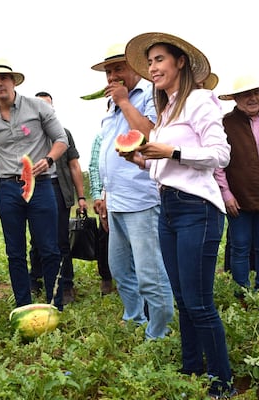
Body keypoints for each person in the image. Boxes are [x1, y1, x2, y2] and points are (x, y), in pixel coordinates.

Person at [124, 32, 236, 398]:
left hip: (196, 210)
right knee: (182, 298)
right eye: (151, 62)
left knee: (200, 301)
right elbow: (166, 167)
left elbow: (220, 155)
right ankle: (191, 366)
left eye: (159, 59)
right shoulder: (167, 109)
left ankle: (223, 382)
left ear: (180, 62)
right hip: (168, 208)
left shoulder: (200, 100)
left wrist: (170, 151)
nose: (153, 67)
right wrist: (141, 160)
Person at [91, 43, 174, 340]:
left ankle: (159, 333)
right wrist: (102, 195)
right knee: (120, 269)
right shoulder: (110, 104)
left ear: (134, 69)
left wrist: (125, 102)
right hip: (115, 202)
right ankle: (134, 317)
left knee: (150, 274)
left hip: (142, 200)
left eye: (119, 69)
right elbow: (108, 152)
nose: (113, 76)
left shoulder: (151, 96)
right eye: (108, 71)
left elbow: (150, 135)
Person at [0, 59, 68, 310]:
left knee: (49, 248)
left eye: (3, 79)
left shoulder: (38, 107)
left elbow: (61, 139)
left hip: (41, 185)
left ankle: (54, 304)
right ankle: (23, 305)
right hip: (8, 188)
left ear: (13, 81)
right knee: (14, 252)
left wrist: (48, 159)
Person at [29, 91, 87, 305]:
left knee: (62, 239)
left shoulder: (64, 133)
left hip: (59, 189)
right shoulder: (27, 133)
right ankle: (35, 279)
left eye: (48, 106)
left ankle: (67, 284)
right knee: (36, 239)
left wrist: (81, 196)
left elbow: (74, 165)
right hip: (36, 190)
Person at [215, 74, 259, 292]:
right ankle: (243, 294)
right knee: (240, 247)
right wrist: (226, 194)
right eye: (246, 94)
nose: (252, 98)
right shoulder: (226, 124)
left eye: (256, 93)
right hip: (238, 199)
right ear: (236, 99)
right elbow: (218, 165)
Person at [88, 131, 114, 295]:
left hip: (135, 196)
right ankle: (106, 277)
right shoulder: (101, 137)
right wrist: (98, 196)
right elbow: (94, 167)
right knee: (104, 238)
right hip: (107, 195)